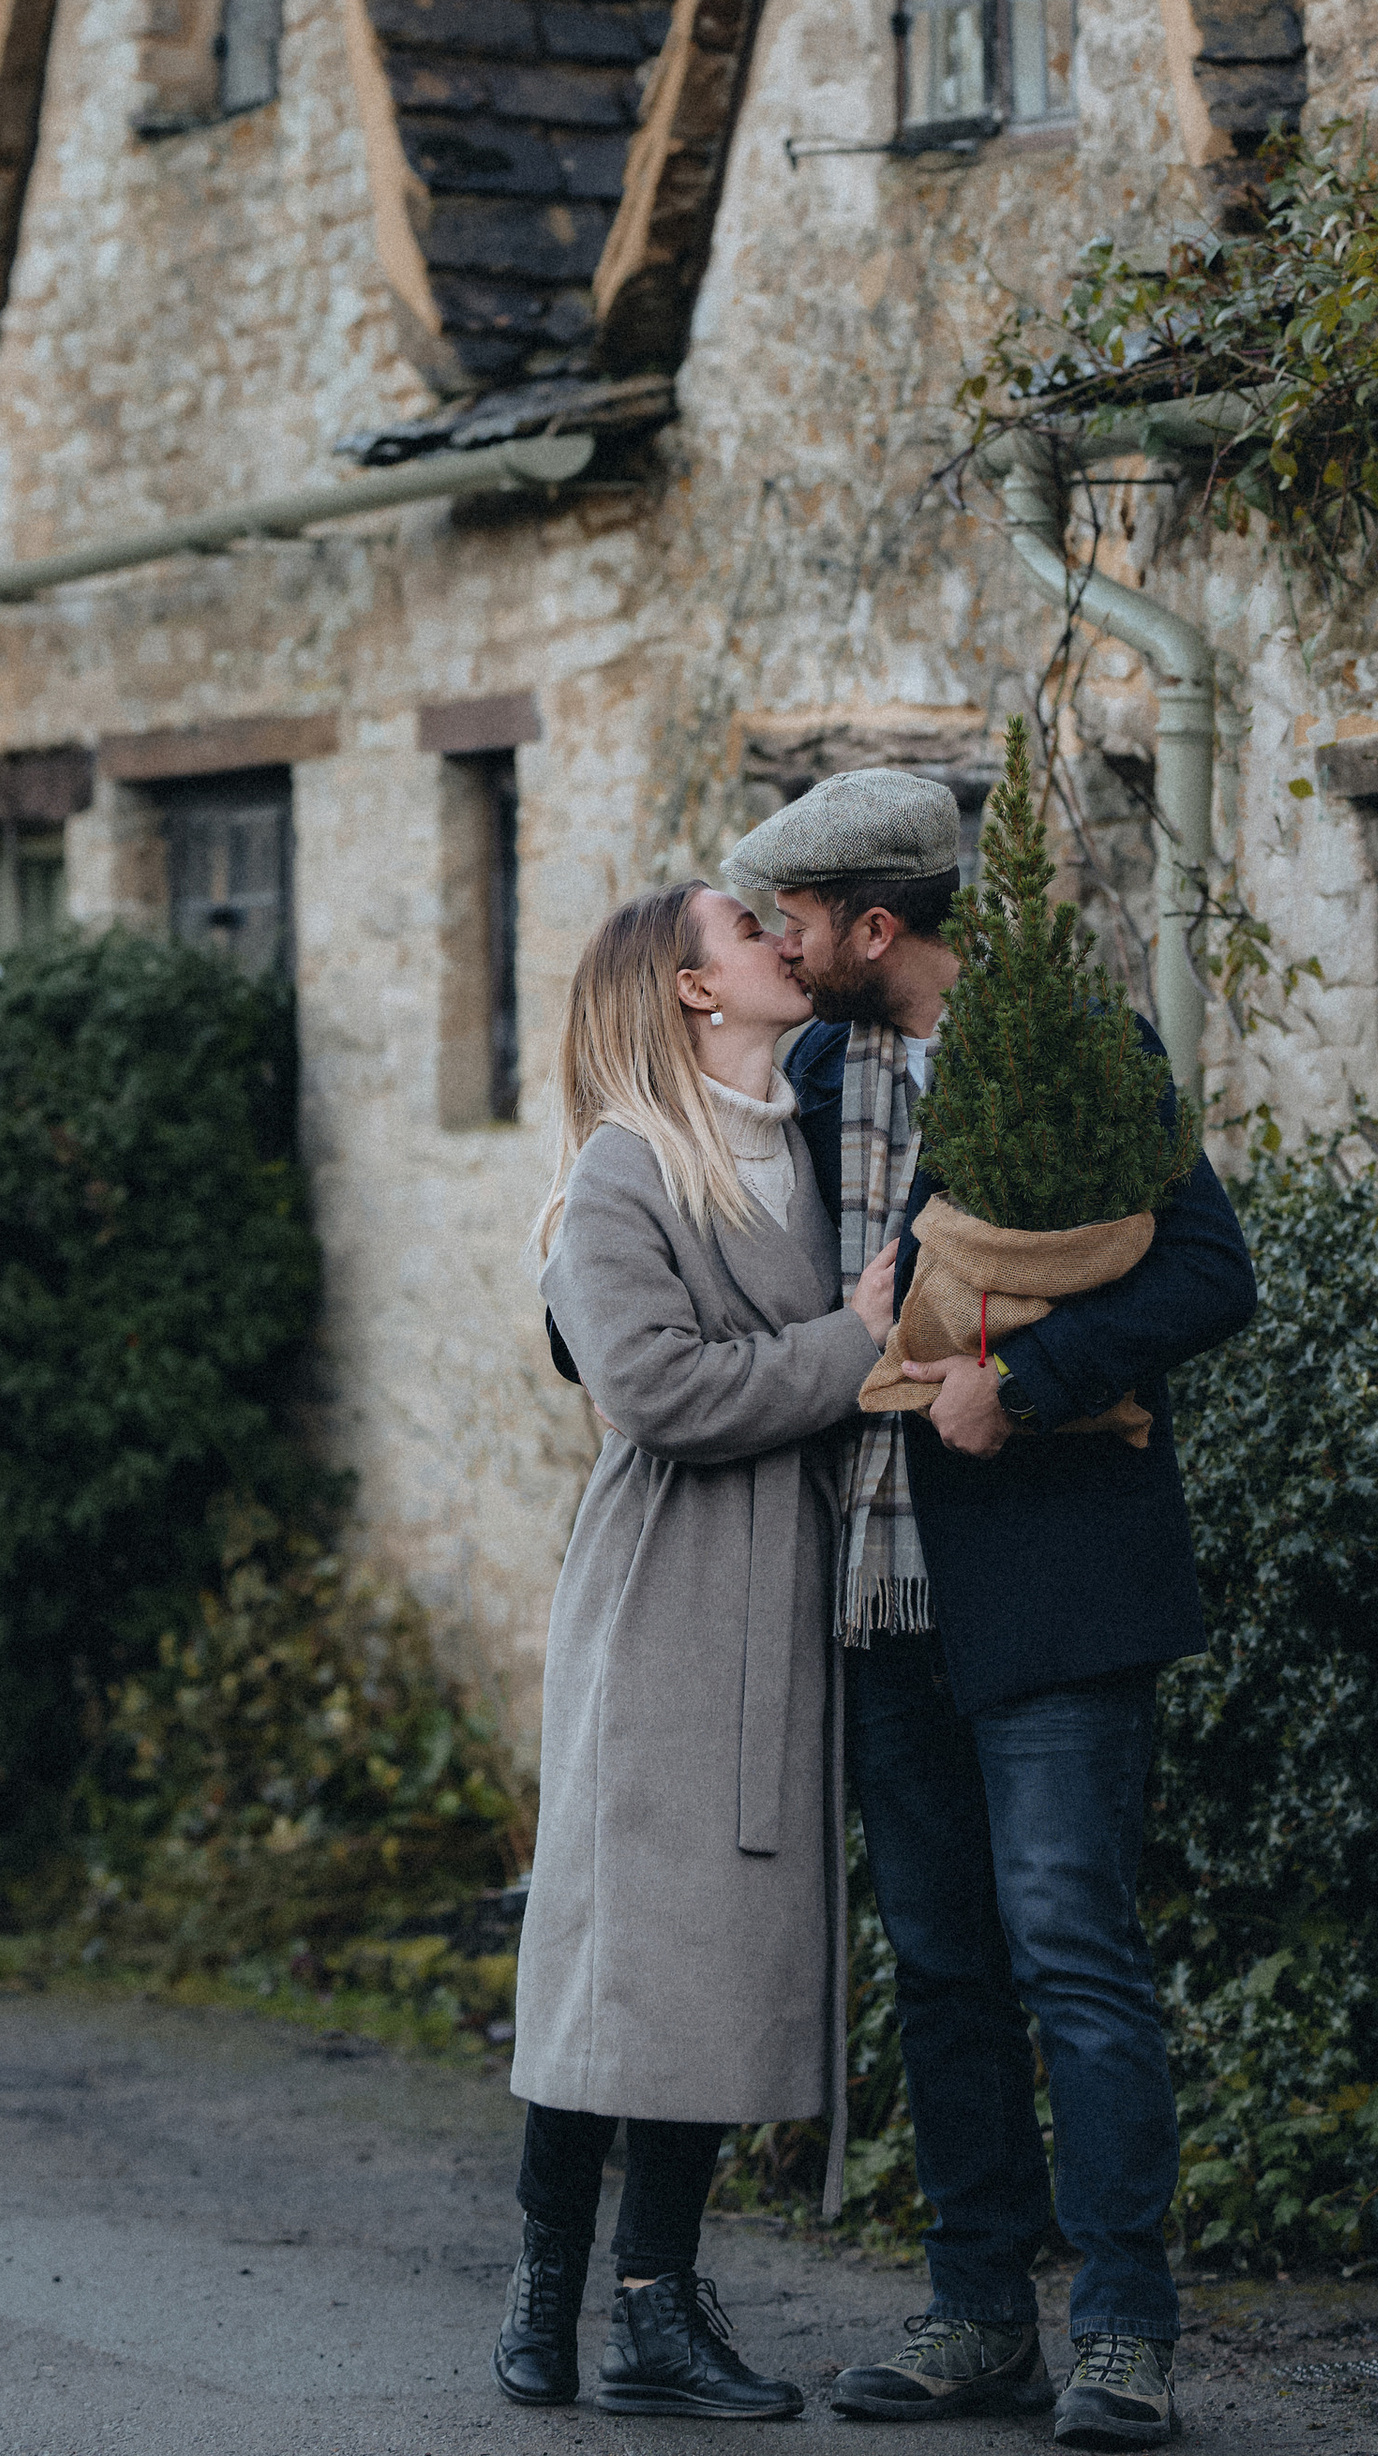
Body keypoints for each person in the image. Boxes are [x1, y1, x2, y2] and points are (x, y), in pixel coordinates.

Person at [718, 771, 1257, 2445]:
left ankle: (1123, 2333)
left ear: (877, 927)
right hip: (874, 1596)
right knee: (942, 1967)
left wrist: (1018, 1380)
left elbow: (1207, 1276)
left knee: (1073, 1956)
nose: (778, 948)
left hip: (1053, 1592)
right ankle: (975, 2320)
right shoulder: (805, 1074)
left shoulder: (1078, 1052)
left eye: (797, 922)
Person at [499, 878, 903, 2421]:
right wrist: (853, 1345)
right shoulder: (619, 1175)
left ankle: (653, 2311)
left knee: (717, 1965)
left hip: (782, 1601)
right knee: (615, 1963)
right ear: (688, 989)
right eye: (748, 931)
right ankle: (545, 2293)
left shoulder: (806, 1139)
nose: (779, 946)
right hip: (662, 1600)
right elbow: (657, 1392)